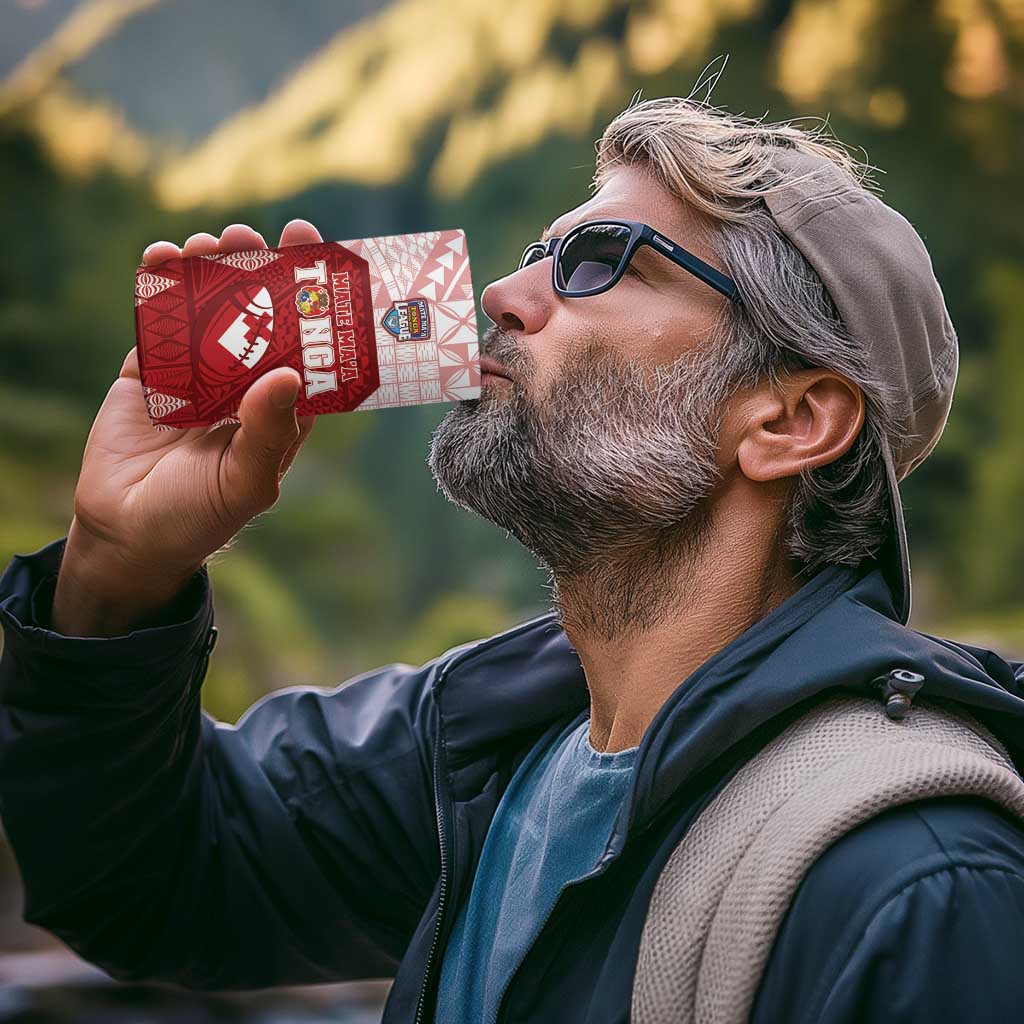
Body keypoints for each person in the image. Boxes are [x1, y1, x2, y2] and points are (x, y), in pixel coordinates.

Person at [2, 95, 1024, 1024]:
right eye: (541, 252)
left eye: (601, 261)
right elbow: (150, 879)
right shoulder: (482, 746)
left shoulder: (919, 887)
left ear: (790, 421)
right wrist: (116, 574)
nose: (501, 292)